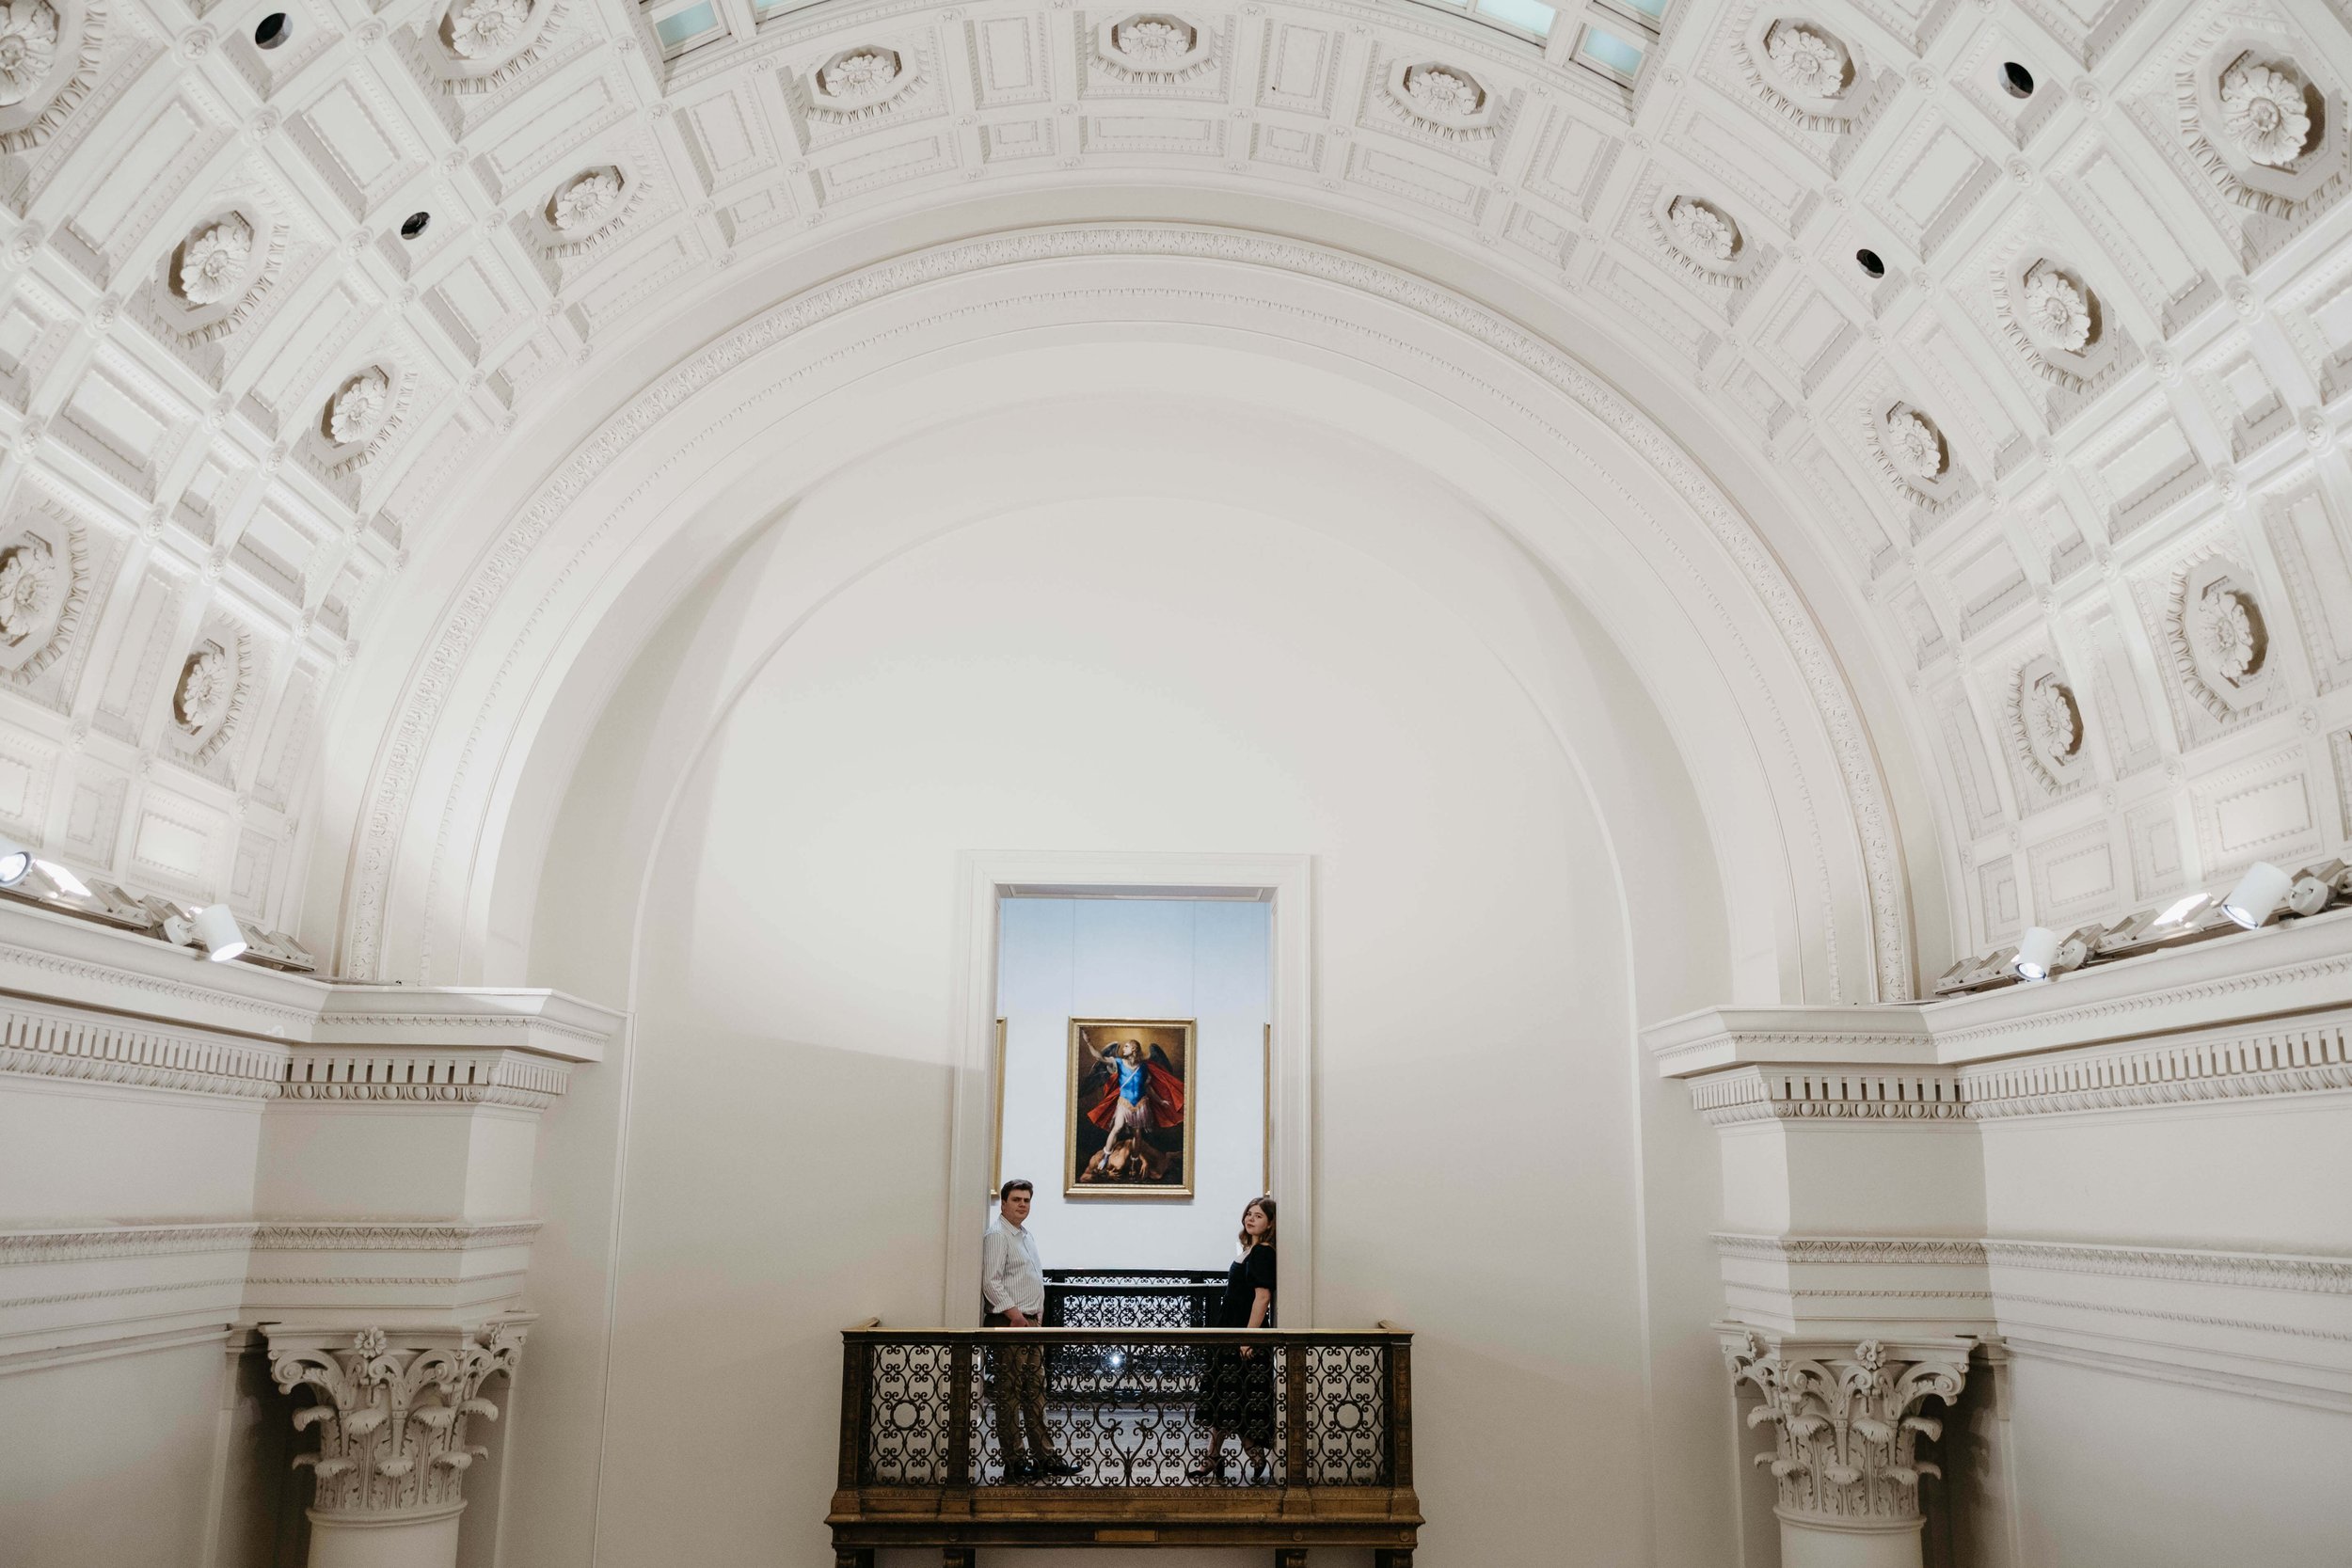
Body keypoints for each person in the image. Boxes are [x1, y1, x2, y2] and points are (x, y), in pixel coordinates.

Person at [980, 1179, 1079, 1480]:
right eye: (1017, 1199)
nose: (1023, 1205)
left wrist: (1036, 1314)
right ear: (1004, 1203)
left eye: (1027, 1200)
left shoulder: (1024, 1235)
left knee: (1035, 1392)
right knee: (1009, 1393)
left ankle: (1045, 1456)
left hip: (1030, 1323)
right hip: (1012, 1323)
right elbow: (991, 1282)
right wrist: (1016, 1316)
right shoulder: (997, 1235)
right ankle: (1015, 1460)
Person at [1191, 1196, 1278, 1483]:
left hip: (1243, 1336)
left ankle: (1241, 1454)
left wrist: (1247, 1337)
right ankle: (1220, 1457)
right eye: (1249, 1214)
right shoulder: (1249, 1249)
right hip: (1229, 1332)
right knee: (1223, 1398)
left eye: (1258, 1216)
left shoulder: (1264, 1253)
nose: (1251, 1219)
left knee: (1233, 1397)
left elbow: (1262, 1297)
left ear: (1270, 1223)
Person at [1078, 1036, 1186, 1182]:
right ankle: (1105, 1156)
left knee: (1137, 1134)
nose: (1124, 1048)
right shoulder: (1119, 1063)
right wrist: (1089, 1042)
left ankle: (1135, 1161)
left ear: (1134, 1049)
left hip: (1141, 1104)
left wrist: (1160, 1101)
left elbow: (1147, 1087)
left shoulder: (1144, 1067)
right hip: (1124, 1103)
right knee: (1117, 1128)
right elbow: (1100, 1057)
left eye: (1127, 1046)